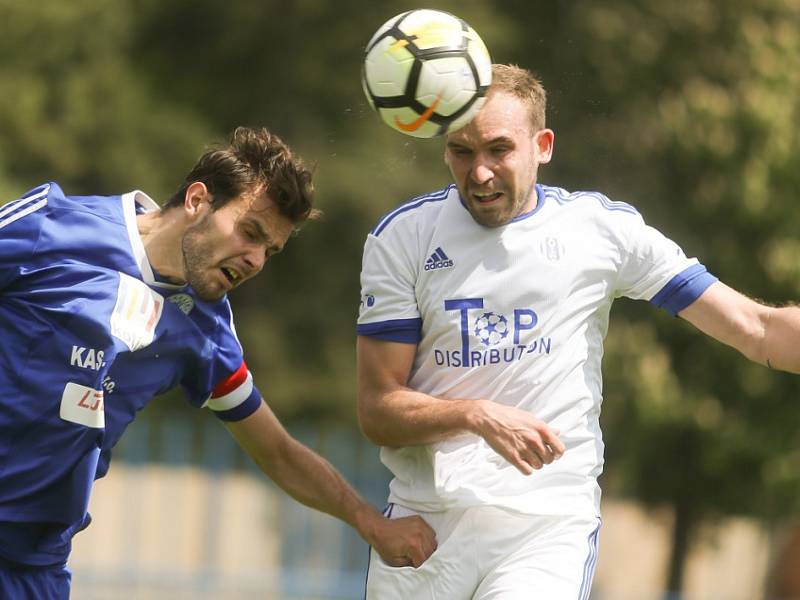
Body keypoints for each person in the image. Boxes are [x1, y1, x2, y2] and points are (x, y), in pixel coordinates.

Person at [356, 64, 800, 599]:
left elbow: (757, 327)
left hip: (544, 525)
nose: (480, 172)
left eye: (499, 149)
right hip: (424, 524)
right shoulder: (403, 239)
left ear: (542, 145)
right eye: (462, 152)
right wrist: (475, 415)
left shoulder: (599, 231)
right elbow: (378, 410)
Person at [0, 126, 436, 598]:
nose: (255, 260)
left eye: (269, 250)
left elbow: (277, 451)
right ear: (197, 200)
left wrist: (370, 522)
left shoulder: (206, 330)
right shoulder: (53, 222)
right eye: (250, 233)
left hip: (33, 566)